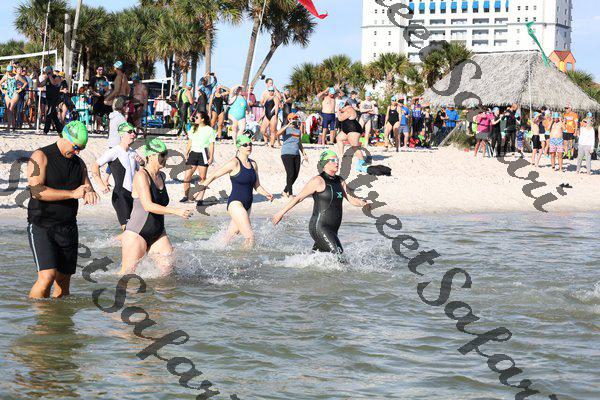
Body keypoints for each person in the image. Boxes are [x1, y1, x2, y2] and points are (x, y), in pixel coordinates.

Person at [27, 121, 98, 298]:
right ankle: (37, 315)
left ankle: (57, 316)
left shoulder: (79, 163)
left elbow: (86, 186)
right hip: (42, 225)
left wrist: (89, 192)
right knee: (47, 277)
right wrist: (72, 194)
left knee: (63, 280)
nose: (78, 152)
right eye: (76, 147)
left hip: (68, 227)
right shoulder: (40, 156)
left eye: (81, 148)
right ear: (65, 137)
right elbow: (36, 191)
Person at [272, 150, 370, 255]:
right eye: (333, 160)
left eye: (337, 160)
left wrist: (363, 203)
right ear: (325, 163)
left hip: (333, 229)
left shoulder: (340, 181)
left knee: (315, 258)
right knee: (339, 255)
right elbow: (298, 198)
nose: (337, 163)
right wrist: (280, 213)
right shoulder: (317, 181)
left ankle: (293, 262)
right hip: (320, 227)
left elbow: (352, 199)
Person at [120, 138, 193, 275]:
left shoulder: (161, 176)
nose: (165, 158)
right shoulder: (141, 176)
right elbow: (148, 206)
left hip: (158, 233)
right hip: (136, 233)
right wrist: (176, 211)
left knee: (167, 270)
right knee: (127, 275)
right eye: (162, 154)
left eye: (166, 154)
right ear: (151, 155)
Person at [201, 135, 273, 249]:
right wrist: (201, 188)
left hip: (248, 205)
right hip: (236, 204)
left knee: (229, 237)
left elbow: (257, 186)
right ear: (238, 147)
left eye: (250, 144)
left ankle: (210, 249)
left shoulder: (253, 164)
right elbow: (214, 175)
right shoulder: (234, 163)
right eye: (245, 145)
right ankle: (244, 259)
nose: (249, 146)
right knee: (250, 237)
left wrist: (266, 193)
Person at [92, 122, 140, 230]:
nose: (133, 134)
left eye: (134, 132)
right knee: (128, 230)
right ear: (122, 135)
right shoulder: (114, 151)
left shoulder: (133, 153)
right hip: (120, 196)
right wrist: (101, 184)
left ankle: (111, 240)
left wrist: (142, 163)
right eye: (130, 132)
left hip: (133, 196)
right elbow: (95, 166)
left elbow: (142, 172)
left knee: (135, 230)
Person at [181, 112, 216, 206]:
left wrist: (211, 157)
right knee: (187, 176)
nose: (195, 119)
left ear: (202, 119)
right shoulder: (193, 128)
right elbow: (190, 142)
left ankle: (200, 199)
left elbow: (212, 144)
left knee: (202, 178)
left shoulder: (210, 130)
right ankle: (186, 196)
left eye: (196, 117)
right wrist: (186, 152)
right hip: (193, 153)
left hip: (203, 153)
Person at [276, 113, 309, 198]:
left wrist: (304, 153)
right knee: (290, 174)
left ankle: (285, 191)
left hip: (296, 154)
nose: (295, 120)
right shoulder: (286, 128)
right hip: (286, 153)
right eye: (293, 118)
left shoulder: (298, 130)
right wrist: (288, 125)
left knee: (295, 175)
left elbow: (299, 143)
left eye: (296, 118)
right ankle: (290, 194)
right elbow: (277, 134)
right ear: (289, 119)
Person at [336, 99, 368, 172]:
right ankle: (341, 155)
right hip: (347, 130)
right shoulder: (346, 109)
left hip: (353, 130)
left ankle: (362, 163)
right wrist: (340, 110)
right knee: (339, 138)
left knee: (355, 147)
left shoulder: (349, 109)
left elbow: (340, 118)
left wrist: (337, 111)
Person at [0, 64, 28, 132]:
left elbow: (25, 83)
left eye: (10, 71)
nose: (9, 72)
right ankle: (13, 126)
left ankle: (9, 127)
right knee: (9, 110)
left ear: (12, 70)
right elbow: (0, 83)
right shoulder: (6, 76)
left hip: (15, 93)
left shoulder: (16, 76)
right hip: (8, 93)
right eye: (8, 71)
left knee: (10, 109)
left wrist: (20, 89)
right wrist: (2, 90)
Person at [38, 66, 64, 135]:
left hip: (55, 98)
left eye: (48, 72)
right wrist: (37, 77)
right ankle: (60, 130)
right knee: (54, 115)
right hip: (48, 98)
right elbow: (39, 85)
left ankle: (45, 131)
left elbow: (54, 83)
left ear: (51, 71)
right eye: (46, 72)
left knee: (49, 114)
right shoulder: (47, 78)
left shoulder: (57, 77)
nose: (46, 73)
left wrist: (49, 76)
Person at [89, 66, 110, 132]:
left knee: (101, 113)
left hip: (102, 97)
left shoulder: (104, 78)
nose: (101, 71)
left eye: (102, 69)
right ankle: (93, 128)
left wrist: (106, 93)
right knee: (94, 113)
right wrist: (95, 93)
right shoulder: (93, 78)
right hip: (95, 97)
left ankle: (98, 129)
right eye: (100, 69)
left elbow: (107, 87)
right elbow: (90, 87)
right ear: (97, 70)